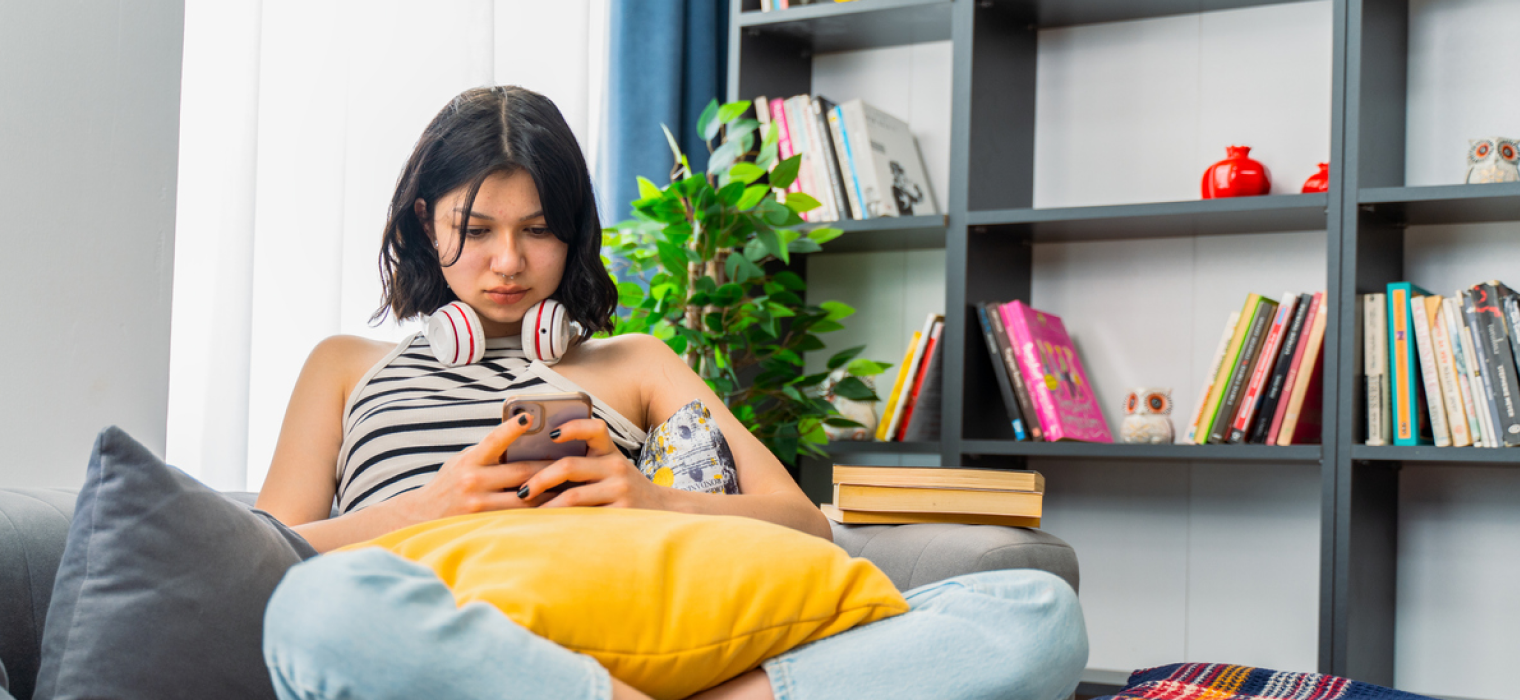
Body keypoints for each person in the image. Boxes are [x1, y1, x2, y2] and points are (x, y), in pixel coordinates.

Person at [254, 86, 1087, 700]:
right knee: (319, 615)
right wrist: (426, 507)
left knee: (1033, 611)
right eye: (475, 232)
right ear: (425, 224)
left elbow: (805, 524)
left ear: (575, 234)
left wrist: (653, 499)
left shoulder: (635, 362)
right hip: (453, 644)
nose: (506, 261)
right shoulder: (346, 365)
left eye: (538, 230)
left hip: (637, 629)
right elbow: (260, 558)